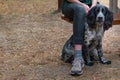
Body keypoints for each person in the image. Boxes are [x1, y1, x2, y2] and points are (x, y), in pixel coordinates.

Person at [61, 0, 97, 76]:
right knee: (80, 9)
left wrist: (93, 5)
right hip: (71, 4)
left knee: (100, 9)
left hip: (89, 5)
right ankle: (78, 57)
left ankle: (92, 48)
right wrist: (81, 4)